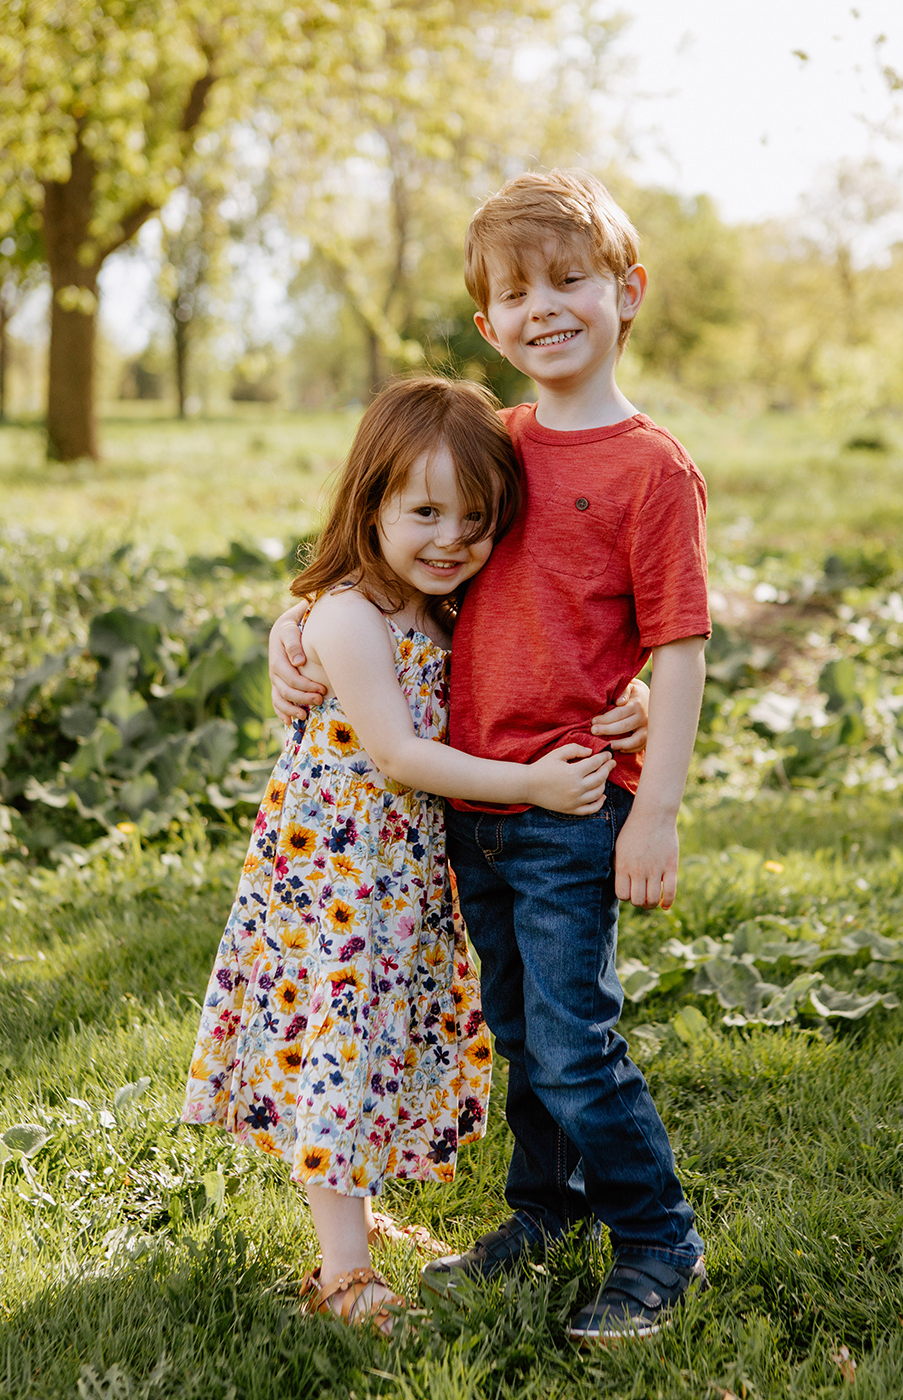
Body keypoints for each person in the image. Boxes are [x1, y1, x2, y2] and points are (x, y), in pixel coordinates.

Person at [270, 170, 711, 1343]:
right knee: (517, 1030)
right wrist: (293, 621)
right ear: (486, 325)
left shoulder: (651, 469)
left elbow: (676, 648)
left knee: (576, 1042)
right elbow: (386, 526)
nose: (545, 309)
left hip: (570, 799)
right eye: (516, 293)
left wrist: (654, 804)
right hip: (472, 804)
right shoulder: (491, 439)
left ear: (629, 291)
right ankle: (545, 1207)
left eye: (572, 280)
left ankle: (658, 1237)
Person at [181, 374, 620, 1334]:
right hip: (336, 878)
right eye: (423, 511)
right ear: (369, 501)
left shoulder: (446, 611)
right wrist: (537, 786)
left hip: (400, 879)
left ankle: (355, 1219)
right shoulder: (346, 616)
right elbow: (401, 754)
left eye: (475, 517)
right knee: (341, 1049)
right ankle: (343, 1274)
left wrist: (614, 707)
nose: (452, 539)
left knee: (377, 1048)